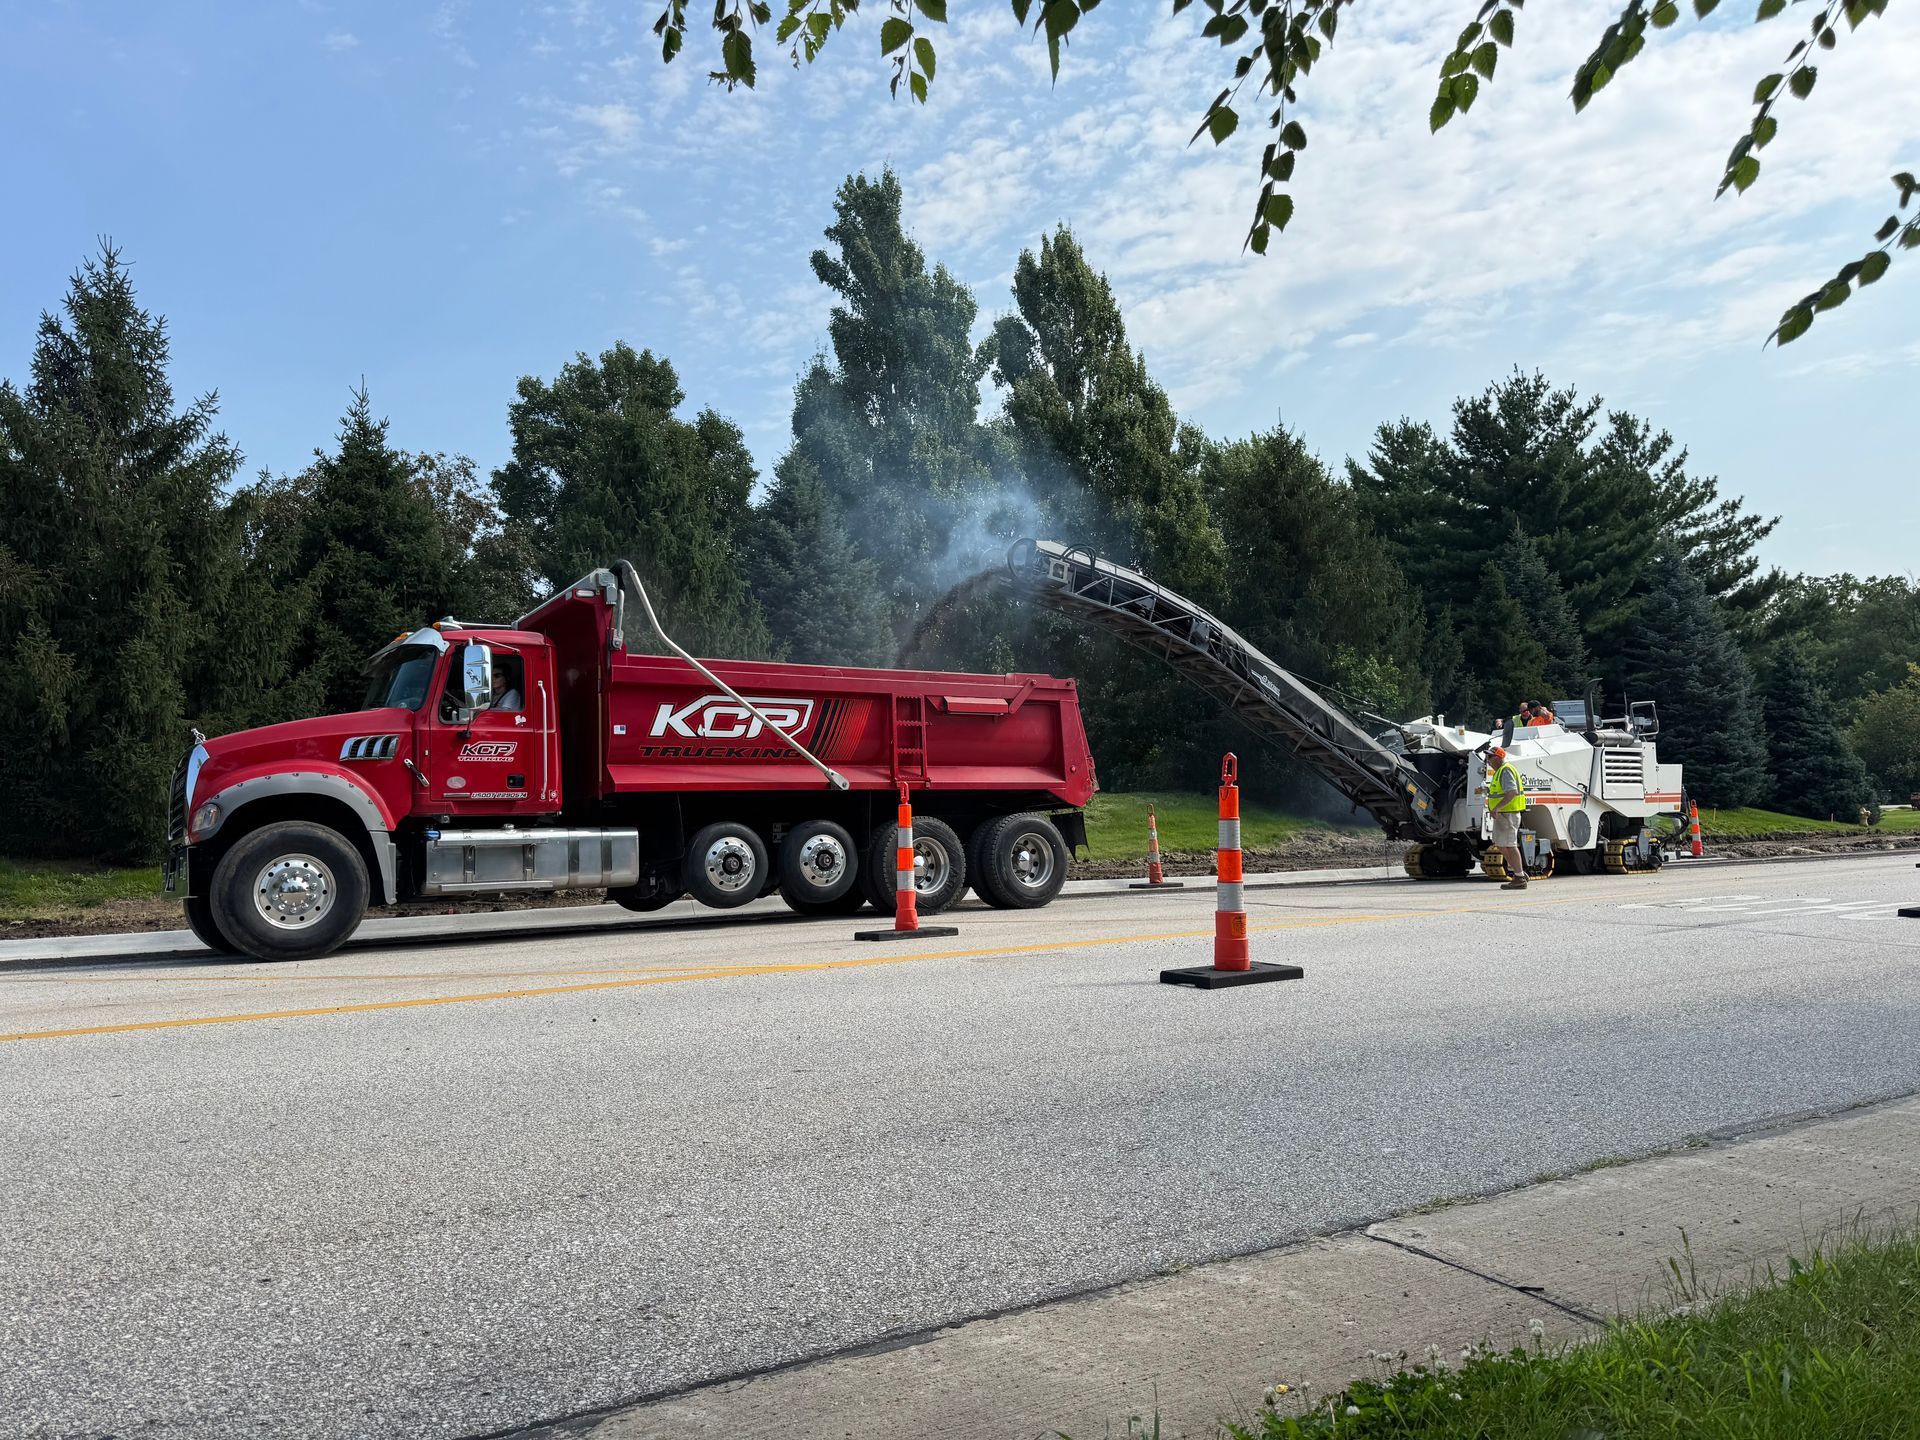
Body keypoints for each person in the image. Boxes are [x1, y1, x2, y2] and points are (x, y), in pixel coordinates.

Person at [1483, 745, 1529, 889]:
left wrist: (1497, 808)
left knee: (1510, 845)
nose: (1487, 760)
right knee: (1502, 845)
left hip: (1508, 814)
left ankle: (1519, 877)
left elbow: (1512, 792)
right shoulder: (1499, 771)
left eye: (1490, 757)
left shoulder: (1505, 770)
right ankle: (1519, 872)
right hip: (1503, 815)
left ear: (1498, 757)